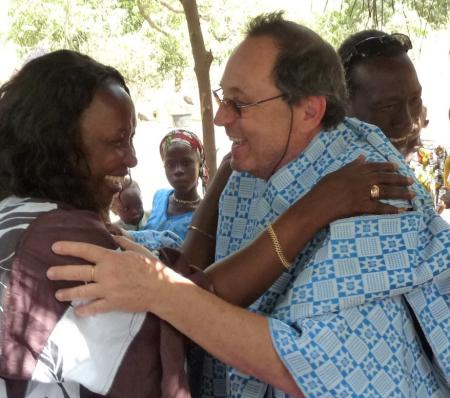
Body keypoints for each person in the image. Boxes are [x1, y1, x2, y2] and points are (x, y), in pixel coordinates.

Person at [46, 12, 449, 398]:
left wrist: (159, 291)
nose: (220, 118)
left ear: (309, 110)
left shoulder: (374, 189)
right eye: (224, 97)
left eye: (240, 103)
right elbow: (210, 284)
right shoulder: (244, 177)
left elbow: (308, 365)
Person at [0, 49, 197, 397]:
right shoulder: (69, 246)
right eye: (117, 141)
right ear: (58, 147)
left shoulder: (14, 213)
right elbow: (160, 336)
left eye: (132, 138)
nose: (133, 158)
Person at [338, 30, 449, 207]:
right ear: (342, 104)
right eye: (387, 107)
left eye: (415, 100)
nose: (407, 121)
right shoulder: (326, 184)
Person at [131, 129, 208, 244]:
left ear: (200, 165)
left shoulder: (204, 214)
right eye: (170, 164)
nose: (178, 170)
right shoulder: (160, 197)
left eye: (186, 163)